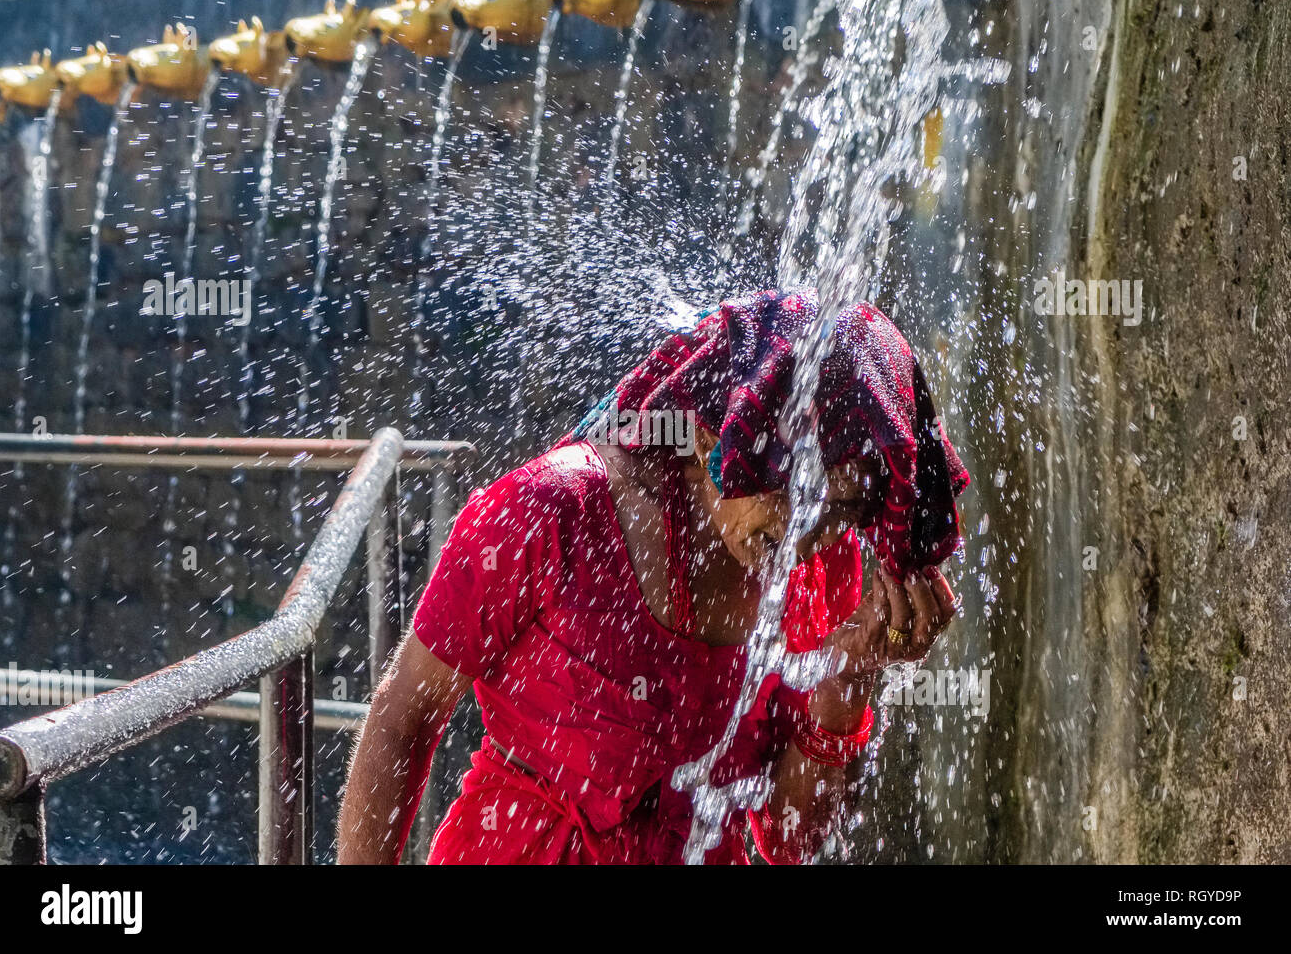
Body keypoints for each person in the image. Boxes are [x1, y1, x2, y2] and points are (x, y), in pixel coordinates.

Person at [337, 288, 970, 864]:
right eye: (792, 495)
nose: (806, 537)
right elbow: (403, 720)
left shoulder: (828, 577)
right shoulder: (552, 513)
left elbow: (790, 839)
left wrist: (849, 673)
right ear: (707, 436)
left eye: (843, 513)